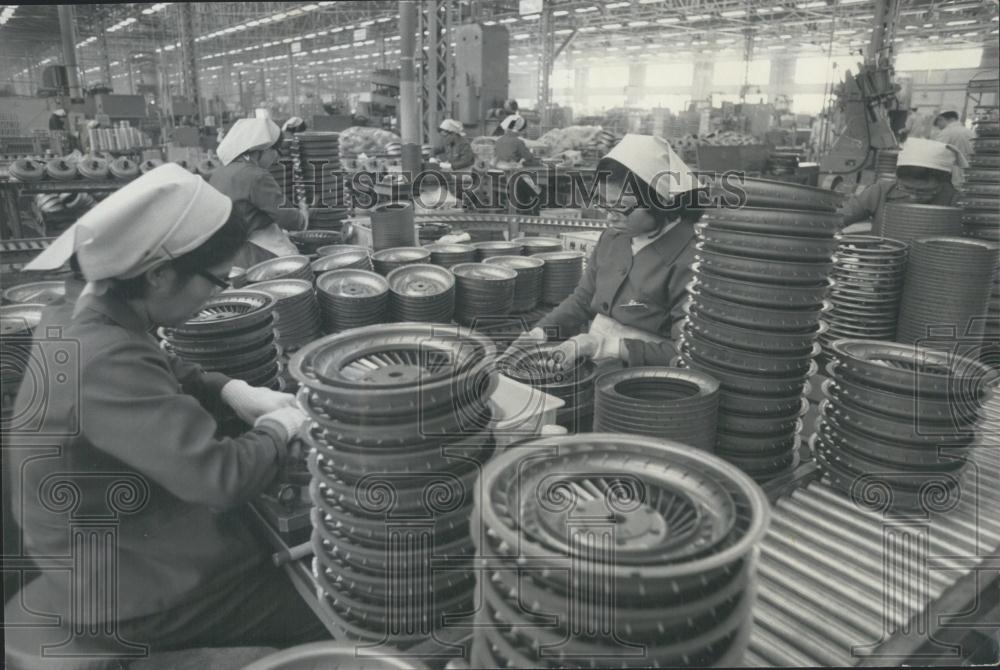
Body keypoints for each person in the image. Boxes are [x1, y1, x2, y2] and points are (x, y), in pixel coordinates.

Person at [7, 164, 325, 656]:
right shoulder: (102, 359)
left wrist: (233, 389)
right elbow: (221, 478)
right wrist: (278, 429)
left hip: (117, 550)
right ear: (159, 273)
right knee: (338, 603)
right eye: (216, 282)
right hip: (130, 590)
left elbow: (161, 364)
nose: (217, 296)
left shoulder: (82, 311)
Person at [511, 134, 706, 368]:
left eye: (621, 206)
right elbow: (583, 299)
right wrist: (540, 333)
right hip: (596, 362)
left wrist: (605, 346)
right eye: (604, 202)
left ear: (661, 202)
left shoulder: (691, 260)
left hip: (649, 377)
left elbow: (687, 352)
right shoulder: (614, 238)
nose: (610, 216)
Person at [210, 116, 307, 268]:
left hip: (227, 254)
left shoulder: (219, 172)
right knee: (298, 267)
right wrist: (304, 215)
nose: (277, 157)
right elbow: (289, 219)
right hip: (254, 253)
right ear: (262, 149)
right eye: (276, 150)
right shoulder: (256, 176)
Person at [839, 137, 965, 228]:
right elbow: (841, 218)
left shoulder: (955, 202)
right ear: (897, 179)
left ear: (943, 183)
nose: (913, 196)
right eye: (907, 188)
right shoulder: (881, 191)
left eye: (924, 192)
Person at [933, 111, 975, 186]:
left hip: (953, 173)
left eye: (938, 122)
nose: (938, 126)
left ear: (941, 119)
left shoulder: (946, 132)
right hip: (970, 171)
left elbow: (936, 152)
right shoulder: (970, 132)